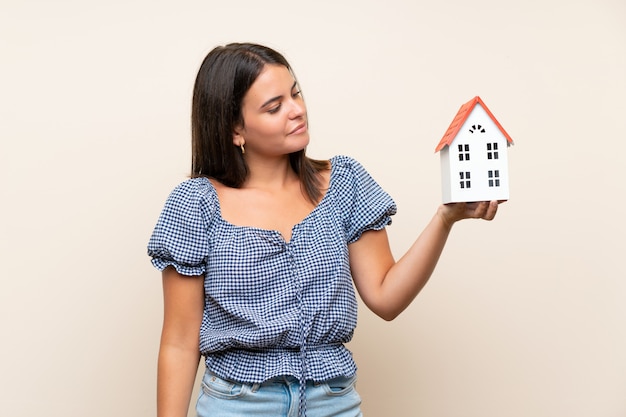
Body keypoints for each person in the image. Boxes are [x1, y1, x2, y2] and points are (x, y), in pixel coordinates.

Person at [147, 42, 499, 417]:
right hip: (238, 405)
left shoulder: (344, 183)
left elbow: (386, 298)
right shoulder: (195, 205)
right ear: (235, 129)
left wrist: (445, 218)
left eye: (295, 93)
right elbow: (180, 343)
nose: (297, 110)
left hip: (333, 403)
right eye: (274, 106)